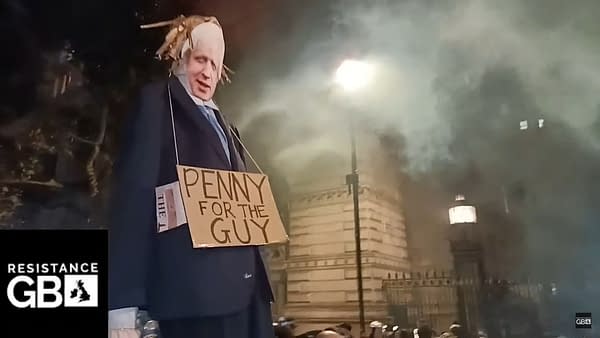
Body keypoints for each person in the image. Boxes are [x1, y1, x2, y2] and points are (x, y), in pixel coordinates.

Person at [107, 15, 274, 338]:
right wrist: (122, 301)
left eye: (215, 64)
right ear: (179, 57)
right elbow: (134, 198)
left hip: (252, 300)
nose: (208, 72)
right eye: (200, 59)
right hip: (197, 300)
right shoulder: (155, 104)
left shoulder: (229, 127)